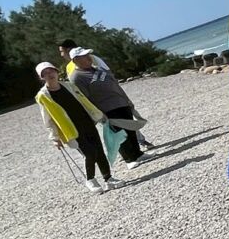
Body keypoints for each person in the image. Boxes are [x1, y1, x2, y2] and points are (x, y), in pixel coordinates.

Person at [36, 62, 118, 194]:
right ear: (42, 77)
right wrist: (55, 138)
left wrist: (97, 114)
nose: (50, 74)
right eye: (45, 73)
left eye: (51, 71)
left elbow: (83, 100)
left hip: (87, 122)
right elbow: (48, 119)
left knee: (99, 151)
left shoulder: (69, 85)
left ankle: (109, 179)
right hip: (71, 129)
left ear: (56, 72)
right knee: (89, 153)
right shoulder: (43, 96)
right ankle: (90, 180)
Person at [68, 47, 147, 165]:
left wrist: (127, 99)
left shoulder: (98, 69)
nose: (88, 57)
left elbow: (115, 84)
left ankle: (137, 154)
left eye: (88, 55)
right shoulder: (76, 77)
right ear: (76, 60)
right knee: (118, 133)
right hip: (106, 109)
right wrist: (98, 113)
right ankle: (129, 159)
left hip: (121, 103)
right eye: (84, 56)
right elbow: (85, 98)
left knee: (130, 129)